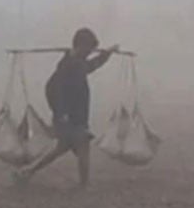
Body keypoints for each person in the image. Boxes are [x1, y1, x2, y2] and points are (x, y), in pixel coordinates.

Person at [14, 28, 118, 187]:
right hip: (71, 117)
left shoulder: (75, 62)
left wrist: (106, 54)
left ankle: (26, 172)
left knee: (61, 148)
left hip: (74, 116)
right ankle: (84, 186)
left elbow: (90, 66)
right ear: (80, 46)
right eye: (88, 49)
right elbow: (54, 89)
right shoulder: (69, 65)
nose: (89, 52)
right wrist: (61, 113)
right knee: (82, 145)